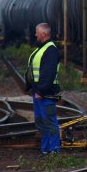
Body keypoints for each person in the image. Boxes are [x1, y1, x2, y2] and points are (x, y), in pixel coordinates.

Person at [26, 23, 61, 155]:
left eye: (37, 32)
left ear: (44, 34)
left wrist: (41, 91)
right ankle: (45, 149)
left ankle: (54, 149)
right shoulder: (42, 48)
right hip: (39, 92)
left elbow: (48, 73)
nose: (35, 34)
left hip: (46, 93)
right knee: (41, 122)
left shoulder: (50, 50)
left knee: (49, 121)